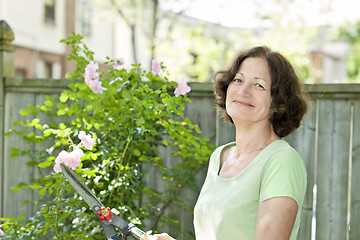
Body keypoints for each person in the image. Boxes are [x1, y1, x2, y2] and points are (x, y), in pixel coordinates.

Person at [141, 46, 308, 240]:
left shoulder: (281, 162)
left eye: (258, 85)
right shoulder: (220, 157)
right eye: (238, 80)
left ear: (279, 103)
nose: (243, 91)